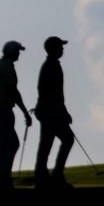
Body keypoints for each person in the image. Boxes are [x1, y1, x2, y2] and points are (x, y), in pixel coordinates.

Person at [0, 40, 32, 191]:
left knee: (2, 145)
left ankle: (0, 177)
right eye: (18, 51)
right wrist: (25, 112)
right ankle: (3, 178)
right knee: (12, 143)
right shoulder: (8, 68)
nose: (19, 54)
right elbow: (14, 92)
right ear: (12, 52)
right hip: (4, 110)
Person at [34, 36, 75, 190]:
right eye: (60, 47)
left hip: (49, 110)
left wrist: (64, 111)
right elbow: (53, 93)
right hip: (51, 111)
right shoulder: (51, 66)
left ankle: (43, 178)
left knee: (47, 144)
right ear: (54, 49)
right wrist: (62, 112)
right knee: (65, 139)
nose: (62, 49)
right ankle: (55, 176)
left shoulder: (51, 65)